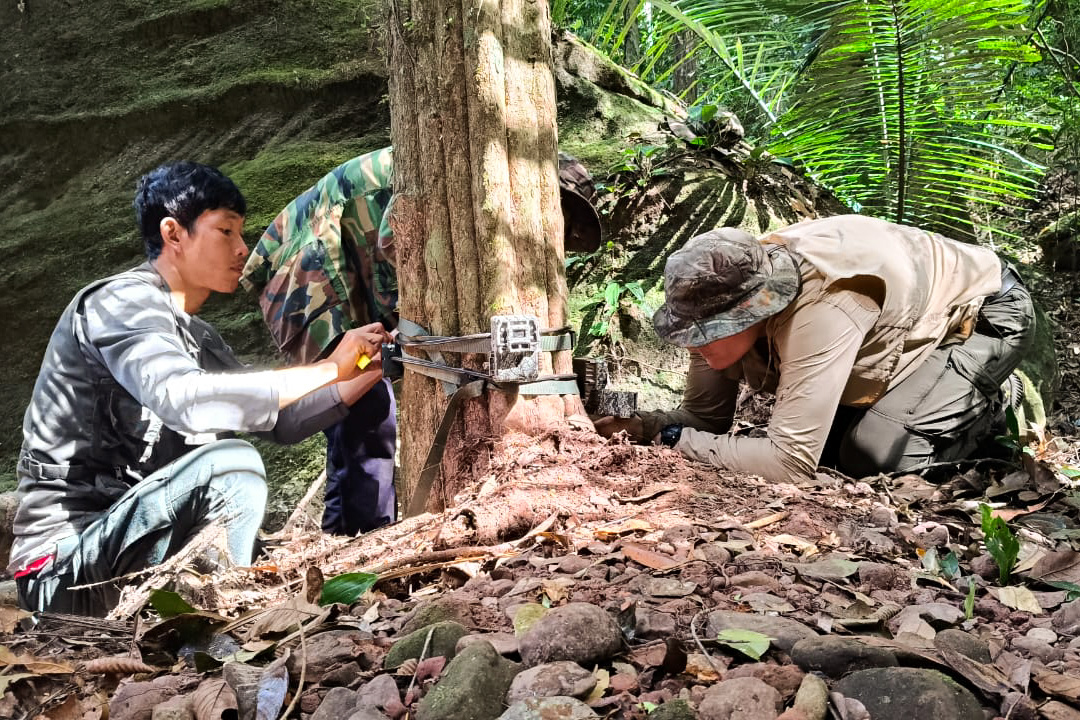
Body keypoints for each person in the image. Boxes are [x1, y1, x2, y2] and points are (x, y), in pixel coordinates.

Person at [8, 162, 390, 616]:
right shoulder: (118, 303)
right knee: (233, 468)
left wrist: (368, 370)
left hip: (126, 552)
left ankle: (207, 617)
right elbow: (187, 402)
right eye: (225, 231)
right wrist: (329, 368)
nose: (243, 249)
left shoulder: (196, 335)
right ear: (173, 234)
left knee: (246, 469)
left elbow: (283, 421)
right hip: (63, 568)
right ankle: (215, 630)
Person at [242, 148, 603, 536]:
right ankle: (364, 539)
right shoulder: (474, 180)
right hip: (313, 263)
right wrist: (410, 329)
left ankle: (351, 534)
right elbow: (397, 241)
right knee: (363, 400)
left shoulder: (496, 183)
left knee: (362, 404)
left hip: (350, 269)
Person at [596, 214, 1036, 480]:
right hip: (889, 329)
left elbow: (789, 464)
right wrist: (645, 426)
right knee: (829, 449)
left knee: (873, 457)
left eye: (708, 331)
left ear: (752, 312)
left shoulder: (825, 308)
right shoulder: (717, 297)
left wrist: (672, 440)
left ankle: (993, 403)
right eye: (688, 332)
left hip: (984, 309)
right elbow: (705, 419)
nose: (696, 344)